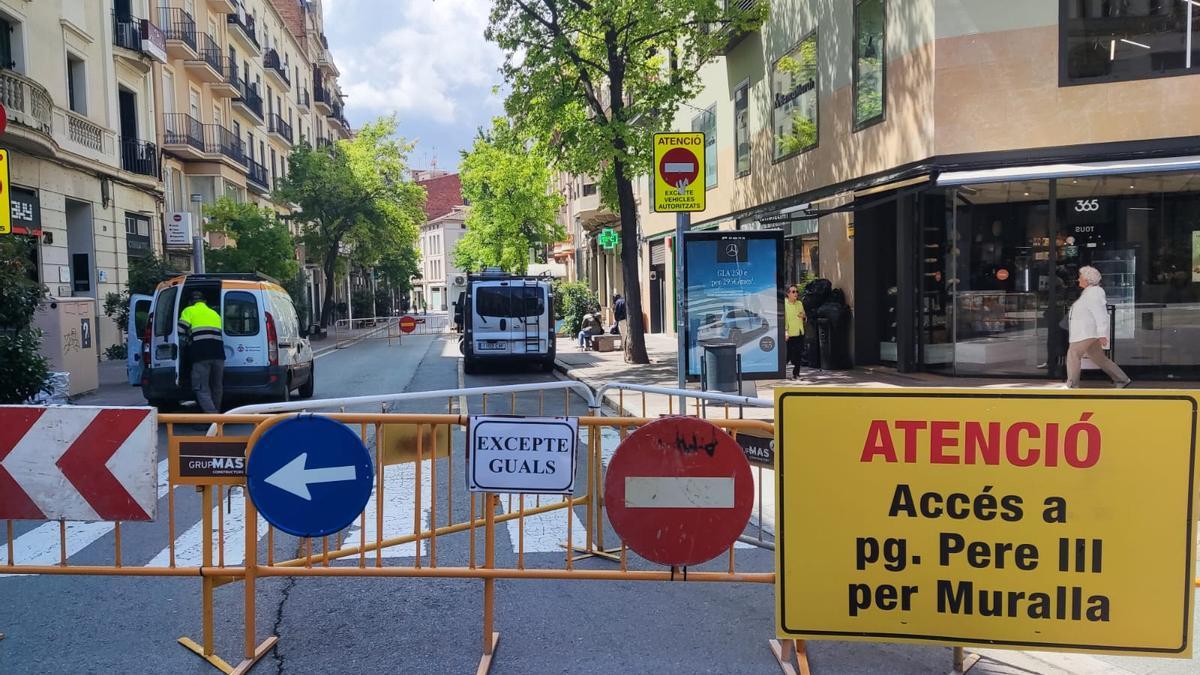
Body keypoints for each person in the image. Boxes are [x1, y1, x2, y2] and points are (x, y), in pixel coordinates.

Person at [1065, 266, 1131, 389]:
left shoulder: (1094, 293)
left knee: (1073, 354)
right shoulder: (1091, 292)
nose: (1078, 279)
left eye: (1080, 277)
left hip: (1086, 332)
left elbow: (1100, 314)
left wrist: (1102, 334)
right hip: (1089, 332)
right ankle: (1122, 379)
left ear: (1087, 279)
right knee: (1099, 358)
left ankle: (1072, 385)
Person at [178, 291, 226, 413]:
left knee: (201, 387)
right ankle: (217, 414)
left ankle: (213, 417)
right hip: (219, 354)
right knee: (217, 387)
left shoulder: (189, 310)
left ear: (190, 302)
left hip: (200, 355)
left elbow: (180, 330)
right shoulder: (214, 313)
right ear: (204, 301)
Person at [784, 284, 806, 379]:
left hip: (799, 332)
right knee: (788, 355)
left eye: (797, 291)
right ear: (788, 294)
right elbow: (784, 319)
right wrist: (785, 331)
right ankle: (779, 373)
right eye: (793, 292)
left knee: (798, 355)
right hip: (789, 334)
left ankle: (796, 374)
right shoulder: (784, 304)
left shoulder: (799, 303)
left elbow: (804, 315)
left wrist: (803, 316)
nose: (796, 293)